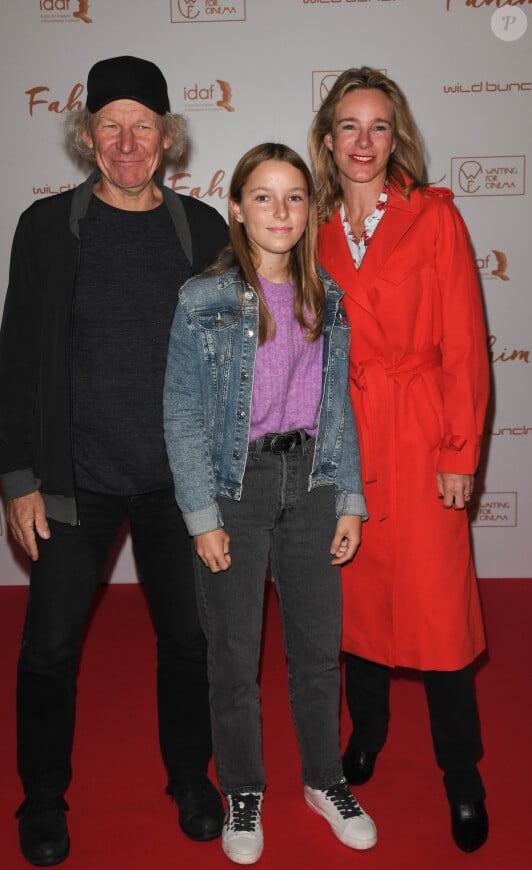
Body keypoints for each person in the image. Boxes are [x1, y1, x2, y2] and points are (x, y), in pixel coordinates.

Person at [0, 56, 229, 866]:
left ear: (167, 139)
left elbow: (234, 362)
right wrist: (19, 478)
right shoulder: (46, 228)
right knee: (49, 650)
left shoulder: (203, 230)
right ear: (87, 136)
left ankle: (191, 780)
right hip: (74, 481)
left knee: (189, 643)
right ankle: (43, 798)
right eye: (110, 126)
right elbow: (18, 355)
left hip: (179, 483)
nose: (127, 142)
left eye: (143, 127)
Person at [163, 142, 377, 865]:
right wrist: (202, 517)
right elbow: (183, 414)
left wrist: (349, 495)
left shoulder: (328, 297)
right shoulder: (204, 299)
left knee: (318, 652)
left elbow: (337, 406)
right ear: (237, 208)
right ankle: (244, 791)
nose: (279, 211)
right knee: (233, 656)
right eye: (263, 196)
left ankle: (324, 778)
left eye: (293, 197)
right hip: (236, 489)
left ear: (310, 210)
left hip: (313, 483)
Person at [309, 66, 490, 853]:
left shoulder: (434, 219)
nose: (363, 141)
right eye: (349, 125)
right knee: (357, 602)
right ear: (326, 139)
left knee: (438, 613)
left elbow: (465, 345)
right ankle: (367, 736)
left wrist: (460, 451)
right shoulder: (305, 225)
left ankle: (463, 774)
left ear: (397, 137)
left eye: (378, 126)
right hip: (343, 440)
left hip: (418, 438)